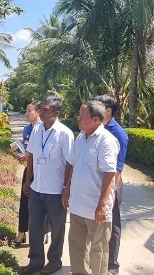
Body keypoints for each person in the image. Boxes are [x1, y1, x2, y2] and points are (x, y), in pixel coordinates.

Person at [62, 100, 118, 275]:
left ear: (96, 120)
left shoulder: (106, 141)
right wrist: (66, 189)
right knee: (77, 248)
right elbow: (74, 166)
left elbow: (110, 174)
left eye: (82, 116)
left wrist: (102, 206)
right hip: (78, 206)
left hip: (96, 208)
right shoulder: (81, 137)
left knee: (98, 250)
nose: (78, 118)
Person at [20, 96, 74, 275]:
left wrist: (66, 189)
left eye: (46, 110)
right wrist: (28, 181)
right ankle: (35, 261)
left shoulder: (64, 133)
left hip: (56, 191)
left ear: (56, 113)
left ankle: (54, 261)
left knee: (57, 227)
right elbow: (32, 156)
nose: (41, 112)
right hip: (37, 189)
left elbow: (70, 164)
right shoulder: (37, 130)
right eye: (41, 109)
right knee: (34, 226)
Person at [95, 95, 129, 275]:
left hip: (112, 186)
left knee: (113, 223)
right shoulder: (96, 128)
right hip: (96, 184)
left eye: (99, 106)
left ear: (108, 111)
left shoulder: (118, 133)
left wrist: (109, 193)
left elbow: (118, 168)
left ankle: (112, 266)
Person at [16, 101, 42, 245]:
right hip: (29, 169)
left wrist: (29, 155)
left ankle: (44, 231)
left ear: (38, 112)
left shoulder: (43, 129)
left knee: (42, 202)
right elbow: (26, 148)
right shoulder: (27, 129)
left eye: (29, 111)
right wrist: (23, 155)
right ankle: (22, 231)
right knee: (24, 201)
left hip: (42, 171)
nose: (26, 114)